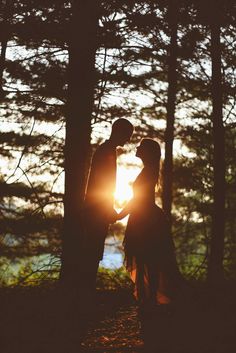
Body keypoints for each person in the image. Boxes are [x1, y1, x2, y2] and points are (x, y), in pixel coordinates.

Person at [117, 138, 181, 312]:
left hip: (146, 219)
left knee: (149, 259)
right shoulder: (148, 170)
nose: (137, 148)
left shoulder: (149, 171)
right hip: (145, 217)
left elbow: (138, 199)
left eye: (141, 147)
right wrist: (120, 214)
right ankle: (149, 298)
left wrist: (119, 215)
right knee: (148, 258)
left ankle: (150, 299)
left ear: (147, 152)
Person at [82, 118, 134, 294]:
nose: (128, 140)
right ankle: (85, 296)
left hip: (96, 211)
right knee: (91, 254)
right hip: (95, 212)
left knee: (92, 253)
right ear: (118, 132)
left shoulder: (107, 151)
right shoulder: (106, 152)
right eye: (127, 135)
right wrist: (107, 209)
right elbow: (101, 184)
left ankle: (85, 295)